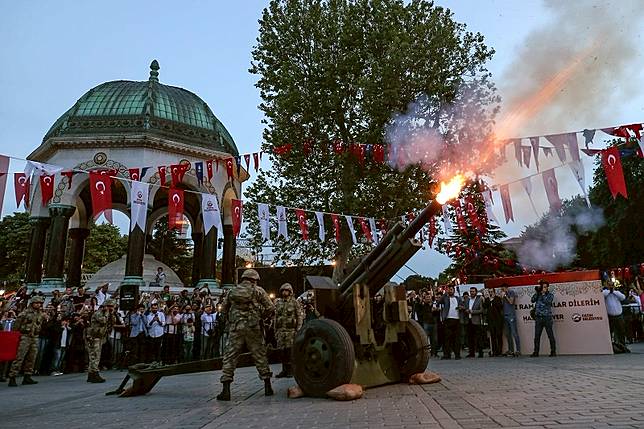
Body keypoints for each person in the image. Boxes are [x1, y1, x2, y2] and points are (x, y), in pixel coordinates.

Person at [217, 269, 275, 401]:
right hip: (253, 328)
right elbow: (271, 307)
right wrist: (261, 317)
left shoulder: (232, 291)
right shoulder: (258, 291)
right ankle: (267, 386)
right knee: (260, 355)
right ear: (254, 279)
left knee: (230, 356)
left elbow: (224, 309)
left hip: (236, 328)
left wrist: (230, 319)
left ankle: (226, 390)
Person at [8, 296, 45, 387]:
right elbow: (16, 327)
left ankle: (27, 376)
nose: (38, 305)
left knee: (32, 358)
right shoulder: (24, 313)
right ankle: (12, 377)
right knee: (19, 357)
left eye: (40, 303)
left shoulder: (40, 314)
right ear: (32, 303)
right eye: (37, 303)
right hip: (24, 336)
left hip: (34, 337)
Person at [274, 283, 303, 378]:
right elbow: (276, 317)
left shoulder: (295, 303)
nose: (284, 292)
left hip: (291, 331)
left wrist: (298, 329)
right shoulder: (278, 303)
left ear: (290, 292)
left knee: (289, 351)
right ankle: (284, 370)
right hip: (280, 331)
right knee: (281, 352)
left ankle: (291, 370)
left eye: (286, 290)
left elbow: (299, 316)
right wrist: (275, 330)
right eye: (283, 290)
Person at [86, 299, 116, 383]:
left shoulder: (108, 314)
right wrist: (107, 313)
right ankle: (94, 373)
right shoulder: (98, 313)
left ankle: (91, 374)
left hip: (100, 337)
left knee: (95, 356)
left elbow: (112, 322)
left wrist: (111, 314)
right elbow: (103, 321)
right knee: (95, 356)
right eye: (109, 306)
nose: (111, 308)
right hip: (94, 337)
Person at [531, 280, 557, 357]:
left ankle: (553, 352)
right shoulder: (538, 294)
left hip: (547, 318)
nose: (544, 288)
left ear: (547, 287)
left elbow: (548, 302)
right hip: (538, 318)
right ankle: (536, 352)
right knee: (537, 336)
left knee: (550, 335)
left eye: (545, 287)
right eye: (543, 287)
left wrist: (543, 294)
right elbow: (532, 300)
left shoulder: (550, 295)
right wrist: (537, 293)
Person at [439, 284, 463, 360]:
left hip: (457, 319)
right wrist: (445, 293)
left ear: (454, 290)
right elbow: (439, 301)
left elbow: (462, 306)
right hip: (448, 320)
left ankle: (457, 354)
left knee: (456, 338)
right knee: (447, 338)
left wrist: (461, 307)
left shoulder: (458, 298)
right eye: (449, 289)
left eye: (451, 289)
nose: (450, 291)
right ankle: (447, 354)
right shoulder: (445, 298)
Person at [603, 280, 628, 351]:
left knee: (621, 331)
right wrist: (609, 291)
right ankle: (611, 347)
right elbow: (603, 295)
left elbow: (623, 297)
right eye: (609, 285)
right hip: (610, 316)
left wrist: (613, 291)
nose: (611, 286)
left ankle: (622, 346)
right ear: (607, 285)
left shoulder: (617, 293)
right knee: (610, 332)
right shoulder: (605, 292)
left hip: (619, 315)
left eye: (612, 285)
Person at [463, 287, 484, 358]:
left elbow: (481, 310)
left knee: (479, 337)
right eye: (471, 291)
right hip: (469, 321)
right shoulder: (467, 300)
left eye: (473, 291)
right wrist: (466, 310)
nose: (472, 293)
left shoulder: (479, 300)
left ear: (476, 292)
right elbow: (465, 308)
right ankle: (471, 353)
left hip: (476, 321)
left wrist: (472, 311)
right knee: (470, 337)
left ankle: (480, 352)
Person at [500, 283, 521, 357]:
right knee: (507, 334)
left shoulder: (511, 292)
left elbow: (511, 302)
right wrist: (501, 298)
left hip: (511, 315)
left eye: (503, 289)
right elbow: (501, 305)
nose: (502, 290)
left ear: (506, 288)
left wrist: (505, 296)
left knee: (514, 333)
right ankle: (511, 350)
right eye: (501, 289)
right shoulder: (502, 295)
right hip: (505, 315)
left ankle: (518, 350)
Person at [484, 288, 504, 357]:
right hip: (490, 320)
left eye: (491, 292)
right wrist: (488, 299)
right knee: (493, 336)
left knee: (499, 336)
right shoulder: (487, 299)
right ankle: (494, 351)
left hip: (498, 320)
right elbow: (485, 306)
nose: (490, 293)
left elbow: (500, 306)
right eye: (489, 292)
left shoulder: (497, 298)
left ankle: (500, 351)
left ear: (494, 292)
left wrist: (492, 300)